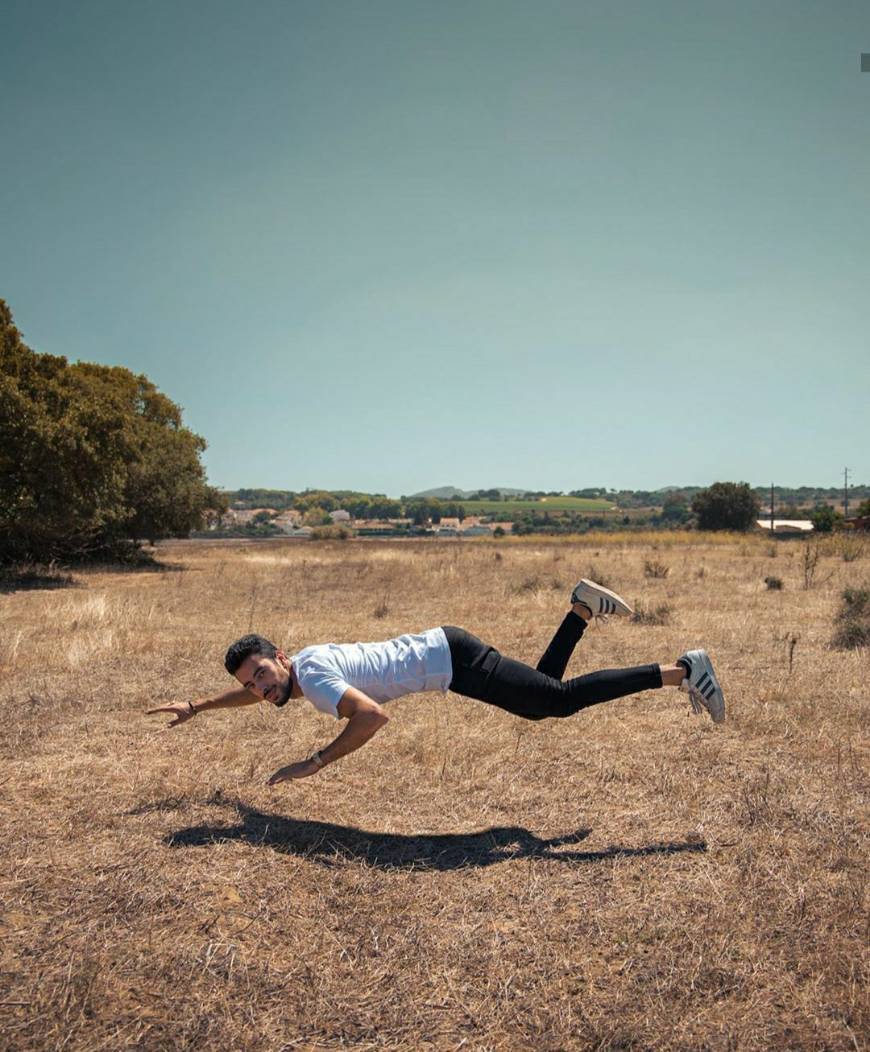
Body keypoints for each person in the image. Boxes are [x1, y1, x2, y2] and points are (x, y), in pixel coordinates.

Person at [147, 578, 725, 785]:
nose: (262, 690)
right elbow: (256, 696)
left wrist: (315, 763)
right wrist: (197, 707)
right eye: (254, 686)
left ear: (280, 655)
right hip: (449, 654)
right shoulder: (299, 671)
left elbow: (373, 716)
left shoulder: (317, 681)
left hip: (454, 661)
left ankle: (681, 671)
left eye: (263, 676)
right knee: (541, 696)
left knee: (557, 703)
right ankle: (580, 608)